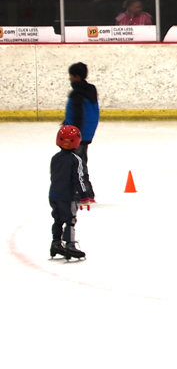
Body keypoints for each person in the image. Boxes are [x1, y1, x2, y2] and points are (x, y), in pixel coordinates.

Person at [49, 125, 87, 261]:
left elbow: (54, 175)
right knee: (70, 220)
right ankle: (70, 245)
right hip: (67, 196)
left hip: (53, 194)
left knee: (58, 219)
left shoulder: (55, 158)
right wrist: (84, 195)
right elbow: (78, 179)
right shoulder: (75, 159)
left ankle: (56, 243)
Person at [63, 63, 99, 204]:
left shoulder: (77, 94)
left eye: (71, 76)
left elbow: (78, 115)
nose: (70, 78)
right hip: (86, 133)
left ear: (76, 76)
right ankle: (84, 192)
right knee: (80, 162)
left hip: (78, 134)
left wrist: (72, 134)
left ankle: (85, 193)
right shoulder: (90, 90)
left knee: (77, 164)